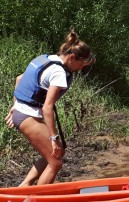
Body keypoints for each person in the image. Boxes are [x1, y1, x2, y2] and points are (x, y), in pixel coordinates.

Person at [5, 29, 95, 186]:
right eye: (81, 65)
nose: (80, 69)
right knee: (56, 162)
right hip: (27, 115)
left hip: (22, 111)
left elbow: (19, 79)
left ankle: (24, 186)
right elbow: (48, 107)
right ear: (72, 58)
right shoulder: (59, 72)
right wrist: (54, 138)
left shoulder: (45, 58)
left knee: (58, 153)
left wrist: (15, 106)